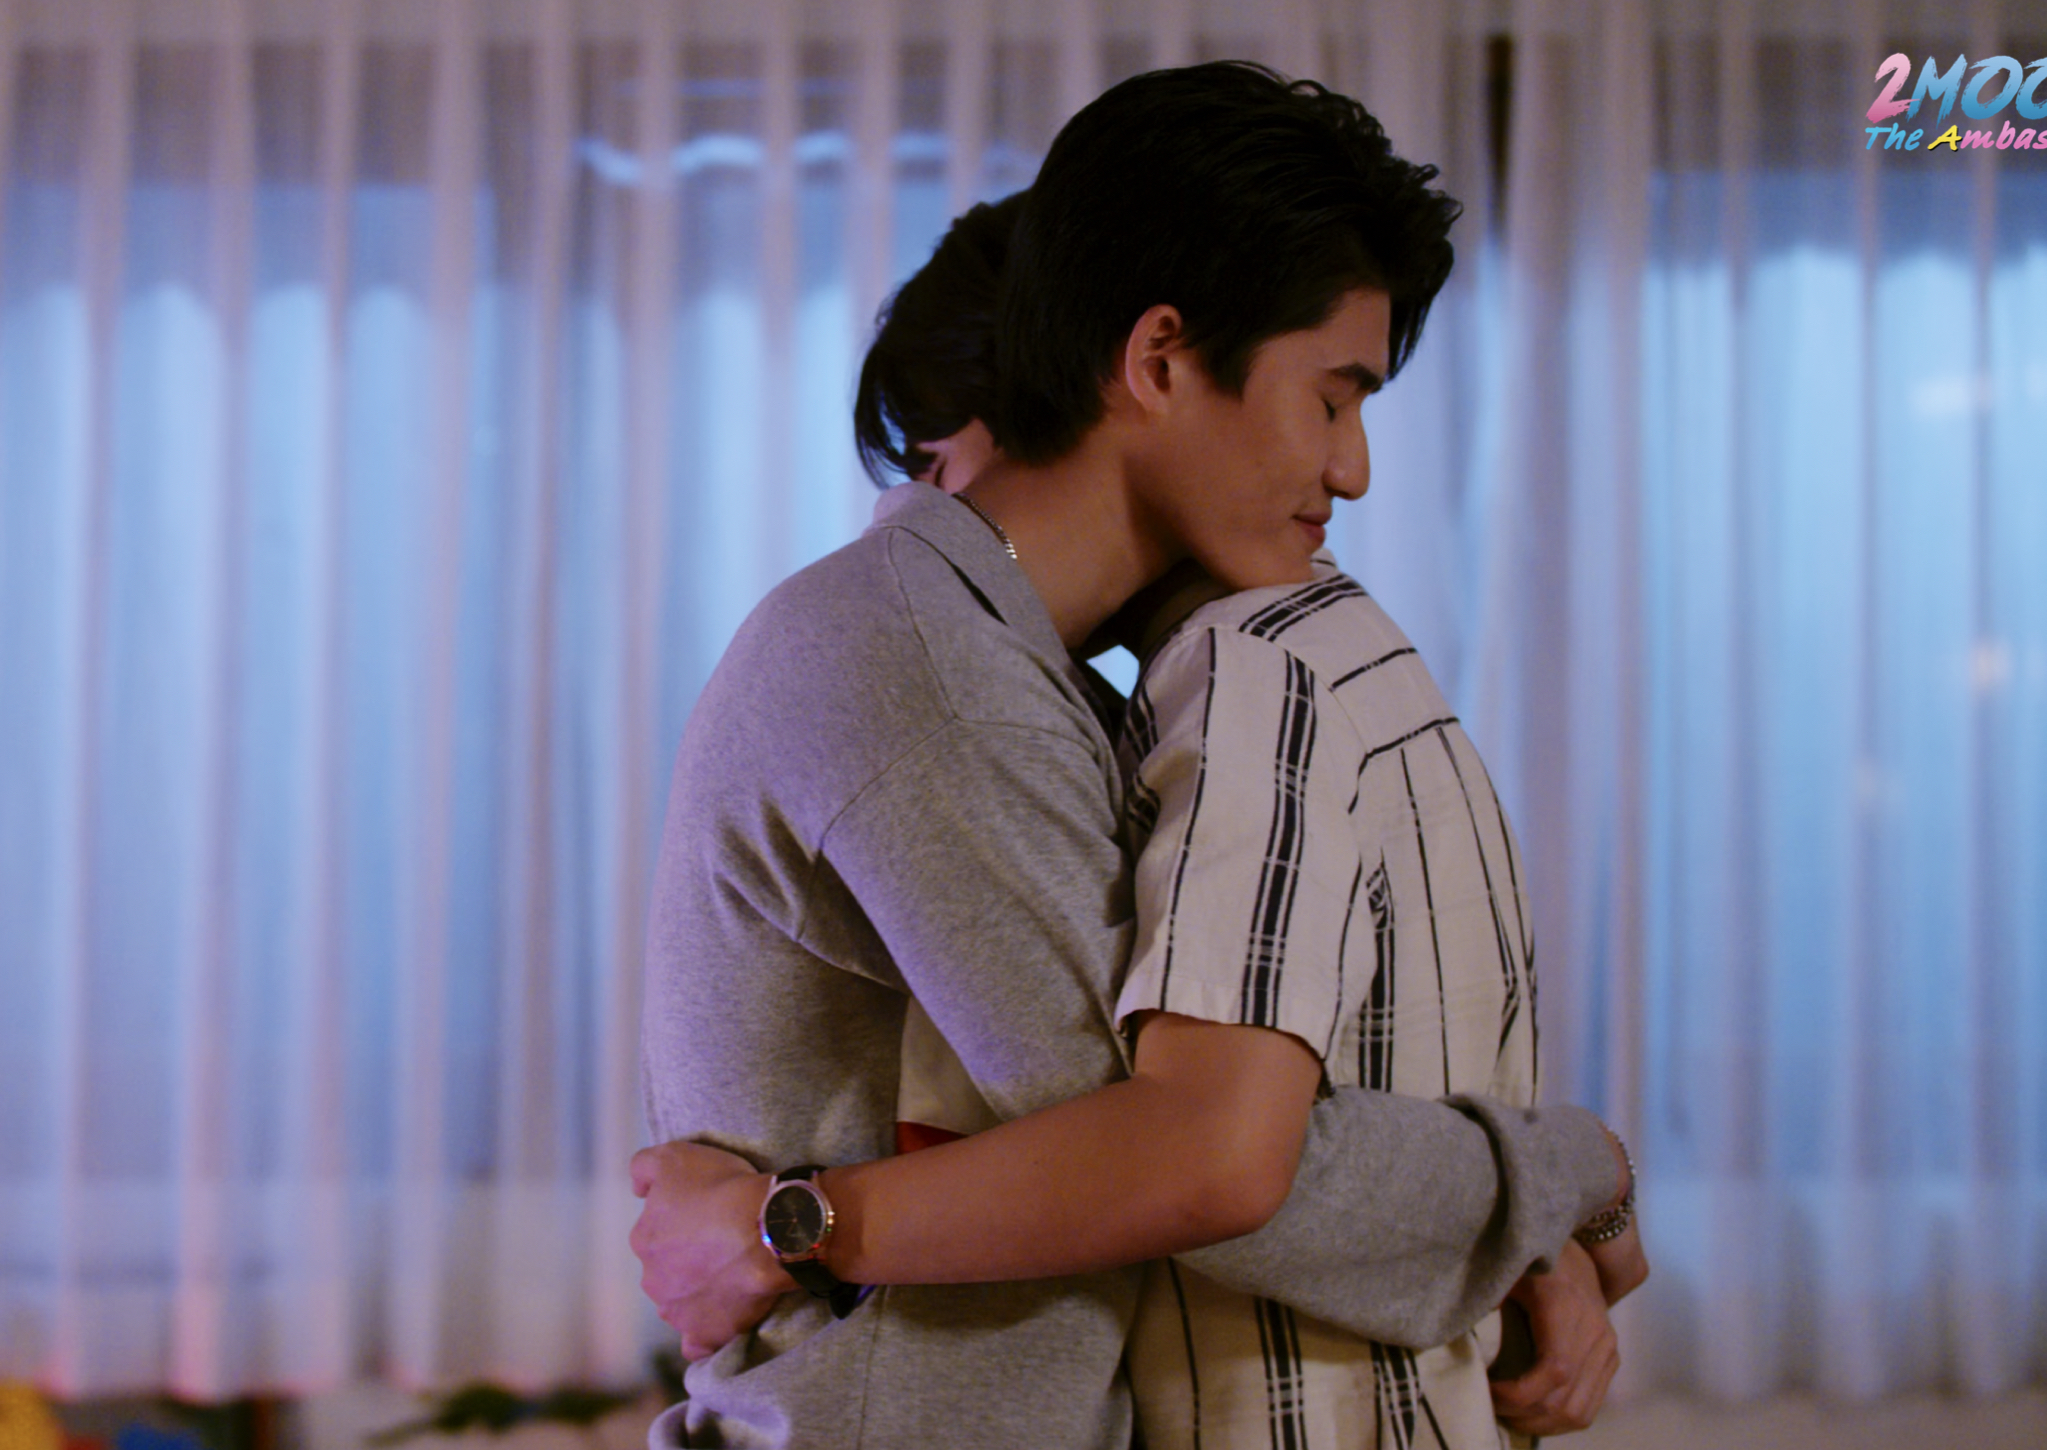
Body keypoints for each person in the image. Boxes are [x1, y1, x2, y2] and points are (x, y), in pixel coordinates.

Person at [635, 63, 1633, 1450]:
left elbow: (1214, 1152)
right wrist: (1573, 1171)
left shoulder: (1017, 665)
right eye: (1330, 398)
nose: (1352, 468)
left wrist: (1531, 1241)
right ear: (1160, 359)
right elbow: (1194, 1155)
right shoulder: (929, 667)